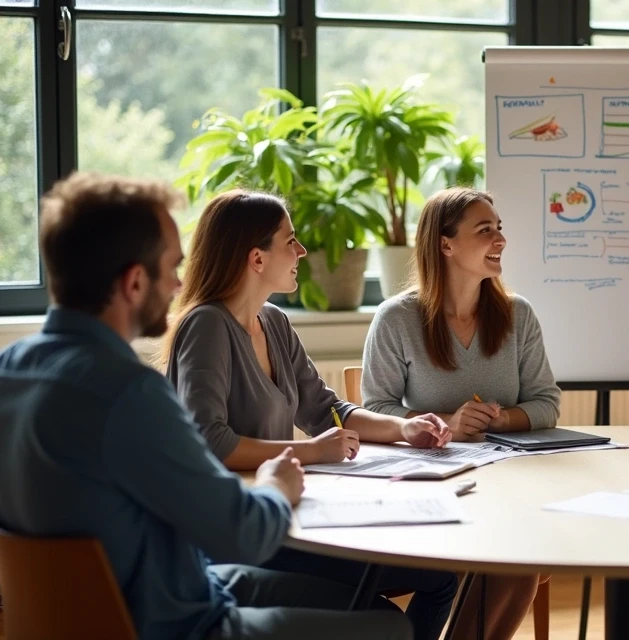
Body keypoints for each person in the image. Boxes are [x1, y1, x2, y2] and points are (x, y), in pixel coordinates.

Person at [0, 172, 410, 639]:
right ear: (135, 282)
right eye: (170, 268)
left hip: (109, 603)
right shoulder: (130, 394)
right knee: (390, 630)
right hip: (172, 620)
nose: (179, 285)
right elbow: (241, 532)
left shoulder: (9, 370)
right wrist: (277, 484)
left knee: (362, 606)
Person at [163, 190, 456, 640]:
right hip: (242, 531)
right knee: (412, 594)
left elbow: (327, 410)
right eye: (291, 240)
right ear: (256, 259)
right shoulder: (206, 326)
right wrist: (311, 451)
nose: (301, 251)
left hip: (286, 518)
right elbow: (211, 442)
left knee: (441, 577)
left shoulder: (274, 320)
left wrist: (404, 427)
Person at [362, 187, 560, 640]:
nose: (500, 239)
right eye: (484, 229)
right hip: (431, 488)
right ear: (445, 243)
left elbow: (546, 402)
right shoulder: (397, 318)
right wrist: (445, 424)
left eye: (500, 228)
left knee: (520, 558)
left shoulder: (517, 314)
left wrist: (502, 419)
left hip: (508, 487)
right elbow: (374, 408)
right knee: (510, 553)